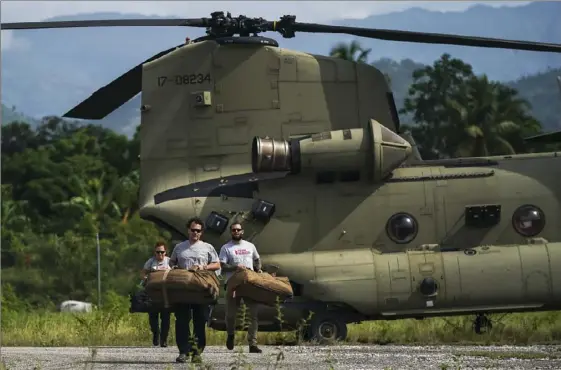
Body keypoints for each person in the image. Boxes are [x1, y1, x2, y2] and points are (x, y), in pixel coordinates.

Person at [169, 217, 221, 364]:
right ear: (188, 230)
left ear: (201, 232)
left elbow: (217, 264)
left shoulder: (207, 247)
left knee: (200, 321)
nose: (195, 233)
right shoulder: (179, 247)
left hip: (201, 289)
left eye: (198, 231)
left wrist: (205, 267)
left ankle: (197, 352)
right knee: (182, 321)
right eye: (193, 230)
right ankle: (183, 351)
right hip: (183, 289)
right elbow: (172, 263)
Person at [218, 222, 263, 354]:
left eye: (238, 230)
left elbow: (257, 259)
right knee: (231, 315)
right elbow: (222, 265)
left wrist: (258, 268)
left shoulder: (250, 246)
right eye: (233, 230)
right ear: (231, 232)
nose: (236, 232)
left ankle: (253, 344)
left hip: (249, 283)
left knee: (253, 315)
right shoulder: (226, 248)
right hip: (233, 284)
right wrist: (235, 267)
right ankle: (231, 335)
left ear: (242, 232)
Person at [141, 242, 171, 347]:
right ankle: (156, 334)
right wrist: (146, 279)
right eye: (158, 252)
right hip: (153, 294)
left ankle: (164, 339)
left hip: (165, 294)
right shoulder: (151, 262)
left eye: (162, 252)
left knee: (166, 318)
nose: (160, 254)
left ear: (165, 252)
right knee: (153, 317)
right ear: (155, 252)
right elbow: (143, 273)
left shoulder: (169, 261)